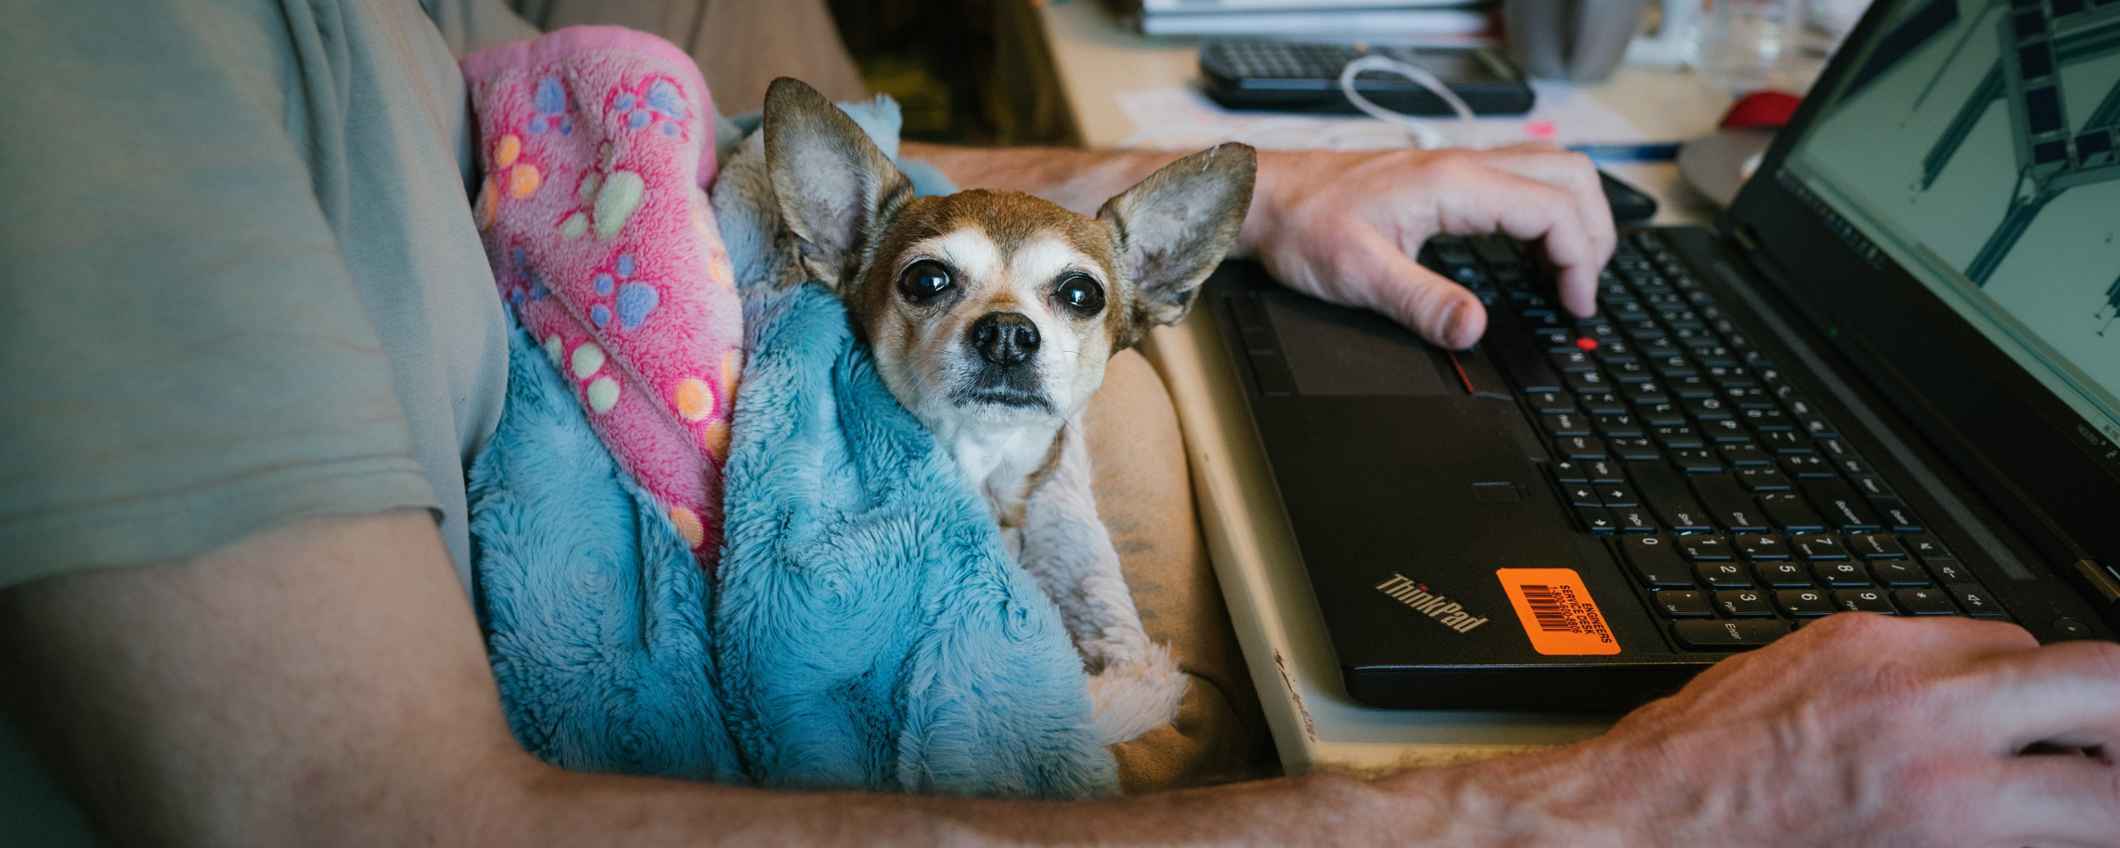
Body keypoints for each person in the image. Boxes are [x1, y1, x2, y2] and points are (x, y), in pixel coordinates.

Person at [2, 1, 2115, 844]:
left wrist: (1270, 196)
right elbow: (367, 818)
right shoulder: (99, 65)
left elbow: (831, 178)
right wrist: (1654, 805)